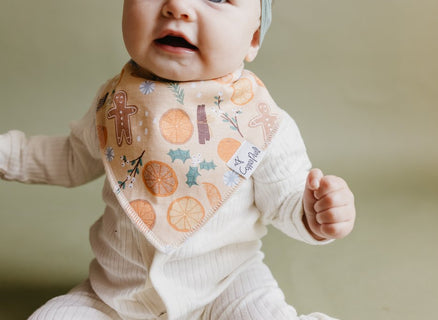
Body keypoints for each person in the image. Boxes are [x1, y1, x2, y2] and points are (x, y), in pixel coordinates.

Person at [0, 0, 356, 319]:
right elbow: (71, 158)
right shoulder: (117, 103)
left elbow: (286, 199)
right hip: (116, 294)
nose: (177, 6)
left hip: (228, 285)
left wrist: (314, 211)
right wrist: (8, 154)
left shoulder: (259, 122)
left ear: (253, 37)